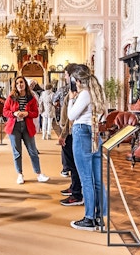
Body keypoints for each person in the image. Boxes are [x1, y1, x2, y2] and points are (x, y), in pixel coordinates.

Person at [67, 64, 107, 230]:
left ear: (77, 80)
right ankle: (99, 217)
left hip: (82, 132)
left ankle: (89, 218)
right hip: (95, 132)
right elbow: (104, 114)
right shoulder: (98, 92)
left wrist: (71, 99)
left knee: (86, 179)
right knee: (97, 180)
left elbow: (71, 116)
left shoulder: (84, 94)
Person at [3, 76, 50, 184]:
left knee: (33, 151)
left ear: (25, 84)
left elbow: (36, 112)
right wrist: (14, 113)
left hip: (27, 126)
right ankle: (20, 174)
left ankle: (39, 173)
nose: (20, 84)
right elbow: (5, 111)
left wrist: (27, 113)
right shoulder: (11, 97)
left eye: (22, 82)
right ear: (15, 85)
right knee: (17, 152)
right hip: (14, 127)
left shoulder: (31, 97)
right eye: (18, 83)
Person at [57, 64, 84, 207]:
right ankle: (74, 187)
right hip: (69, 131)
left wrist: (63, 134)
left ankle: (76, 193)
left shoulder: (76, 93)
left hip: (71, 132)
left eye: (66, 74)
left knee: (73, 164)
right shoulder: (72, 91)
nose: (65, 77)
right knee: (71, 163)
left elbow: (70, 117)